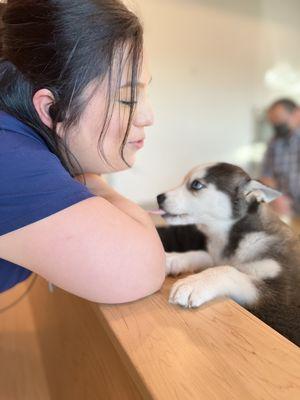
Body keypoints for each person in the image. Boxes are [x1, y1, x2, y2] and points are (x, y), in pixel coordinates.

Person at [0, 0, 166, 303]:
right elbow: (140, 268)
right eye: (128, 99)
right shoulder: (11, 160)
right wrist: (92, 182)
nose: (148, 116)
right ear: (53, 109)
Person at [260, 98, 300, 216]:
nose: (276, 124)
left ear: (297, 114)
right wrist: (277, 198)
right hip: (286, 209)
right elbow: (267, 176)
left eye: (278, 118)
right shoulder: (274, 143)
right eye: (272, 121)